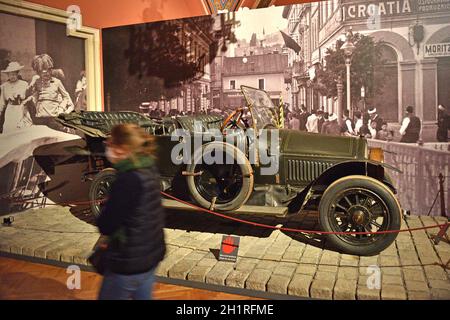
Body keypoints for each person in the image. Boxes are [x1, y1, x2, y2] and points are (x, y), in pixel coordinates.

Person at [97, 124, 166, 300]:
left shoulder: (127, 179)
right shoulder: (149, 168)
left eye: (111, 143)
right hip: (150, 256)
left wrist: (107, 207)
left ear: (122, 149)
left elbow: (107, 225)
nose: (108, 147)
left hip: (128, 262)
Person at [28, 54, 74, 128]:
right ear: (38, 72)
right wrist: (32, 83)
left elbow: (66, 97)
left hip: (53, 117)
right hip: (40, 117)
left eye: (48, 70)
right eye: (42, 72)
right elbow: (28, 96)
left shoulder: (57, 82)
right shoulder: (36, 82)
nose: (46, 73)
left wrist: (61, 109)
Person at [0, 61, 32, 133]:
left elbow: (28, 97)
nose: (12, 76)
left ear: (17, 74)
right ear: (8, 75)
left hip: (21, 109)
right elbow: (2, 102)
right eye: (10, 74)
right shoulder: (4, 86)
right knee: (10, 128)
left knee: (21, 129)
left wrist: (25, 108)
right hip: (10, 110)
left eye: (14, 74)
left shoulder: (24, 84)